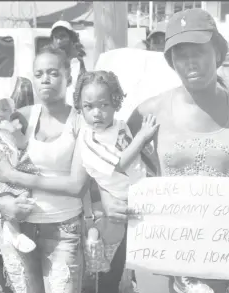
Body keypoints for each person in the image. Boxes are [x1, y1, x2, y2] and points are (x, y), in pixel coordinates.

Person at [95, 8, 229, 293]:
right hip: (168, 249)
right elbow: (107, 164)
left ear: (217, 52)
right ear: (171, 61)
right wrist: (106, 198)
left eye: (199, 51)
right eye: (180, 54)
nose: (190, 62)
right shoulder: (150, 111)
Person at [0, 44, 85, 293]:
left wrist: (13, 175)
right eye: (39, 74)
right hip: (16, 228)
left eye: (53, 73)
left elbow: (76, 185)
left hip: (64, 230)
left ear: (68, 77)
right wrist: (0, 204)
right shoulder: (19, 117)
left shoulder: (82, 122)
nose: (45, 80)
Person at [72, 70, 157, 273]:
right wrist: (142, 136)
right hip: (119, 205)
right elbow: (120, 164)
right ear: (80, 108)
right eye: (89, 106)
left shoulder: (119, 125)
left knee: (140, 261)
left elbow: (137, 155)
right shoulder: (89, 139)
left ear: (116, 103)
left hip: (141, 195)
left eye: (104, 105)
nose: (97, 113)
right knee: (114, 264)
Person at [0, 94, 39, 254]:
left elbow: (22, 144)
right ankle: (13, 232)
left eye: (5, 109)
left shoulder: (12, 132)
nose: (0, 114)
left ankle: (14, 228)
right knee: (7, 200)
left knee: (22, 197)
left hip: (16, 174)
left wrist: (14, 132)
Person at [50, 20, 87, 106]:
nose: (59, 41)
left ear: (71, 38)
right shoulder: (49, 63)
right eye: (56, 37)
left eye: (63, 36)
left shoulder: (78, 63)